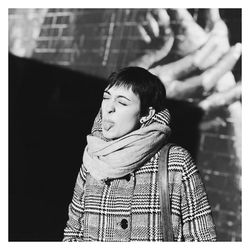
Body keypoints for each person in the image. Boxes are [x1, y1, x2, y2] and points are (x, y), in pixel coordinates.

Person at [63, 66, 216, 242]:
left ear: (146, 114)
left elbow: (204, 239)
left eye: (122, 102)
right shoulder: (93, 158)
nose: (109, 108)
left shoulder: (175, 162)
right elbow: (73, 234)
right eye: (106, 97)